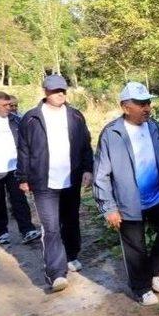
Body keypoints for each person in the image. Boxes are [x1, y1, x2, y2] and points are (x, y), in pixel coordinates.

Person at [93, 82, 159, 306]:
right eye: (141, 103)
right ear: (125, 106)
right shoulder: (112, 133)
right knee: (135, 247)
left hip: (158, 195)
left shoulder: (154, 127)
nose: (147, 108)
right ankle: (140, 288)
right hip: (128, 202)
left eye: (148, 102)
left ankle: (153, 272)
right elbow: (101, 174)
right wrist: (109, 207)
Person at [17, 75, 93, 292]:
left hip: (72, 178)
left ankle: (71, 255)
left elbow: (86, 145)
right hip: (43, 182)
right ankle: (56, 273)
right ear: (45, 92)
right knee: (50, 227)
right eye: (54, 91)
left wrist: (88, 169)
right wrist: (22, 177)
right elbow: (23, 150)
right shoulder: (31, 118)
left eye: (62, 90)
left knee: (70, 220)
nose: (59, 94)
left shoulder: (76, 115)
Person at [0, 91, 41, 245]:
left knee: (19, 199)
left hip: (15, 167)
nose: (9, 108)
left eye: (10, 104)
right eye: (5, 105)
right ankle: (1, 232)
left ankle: (27, 229)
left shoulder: (16, 120)